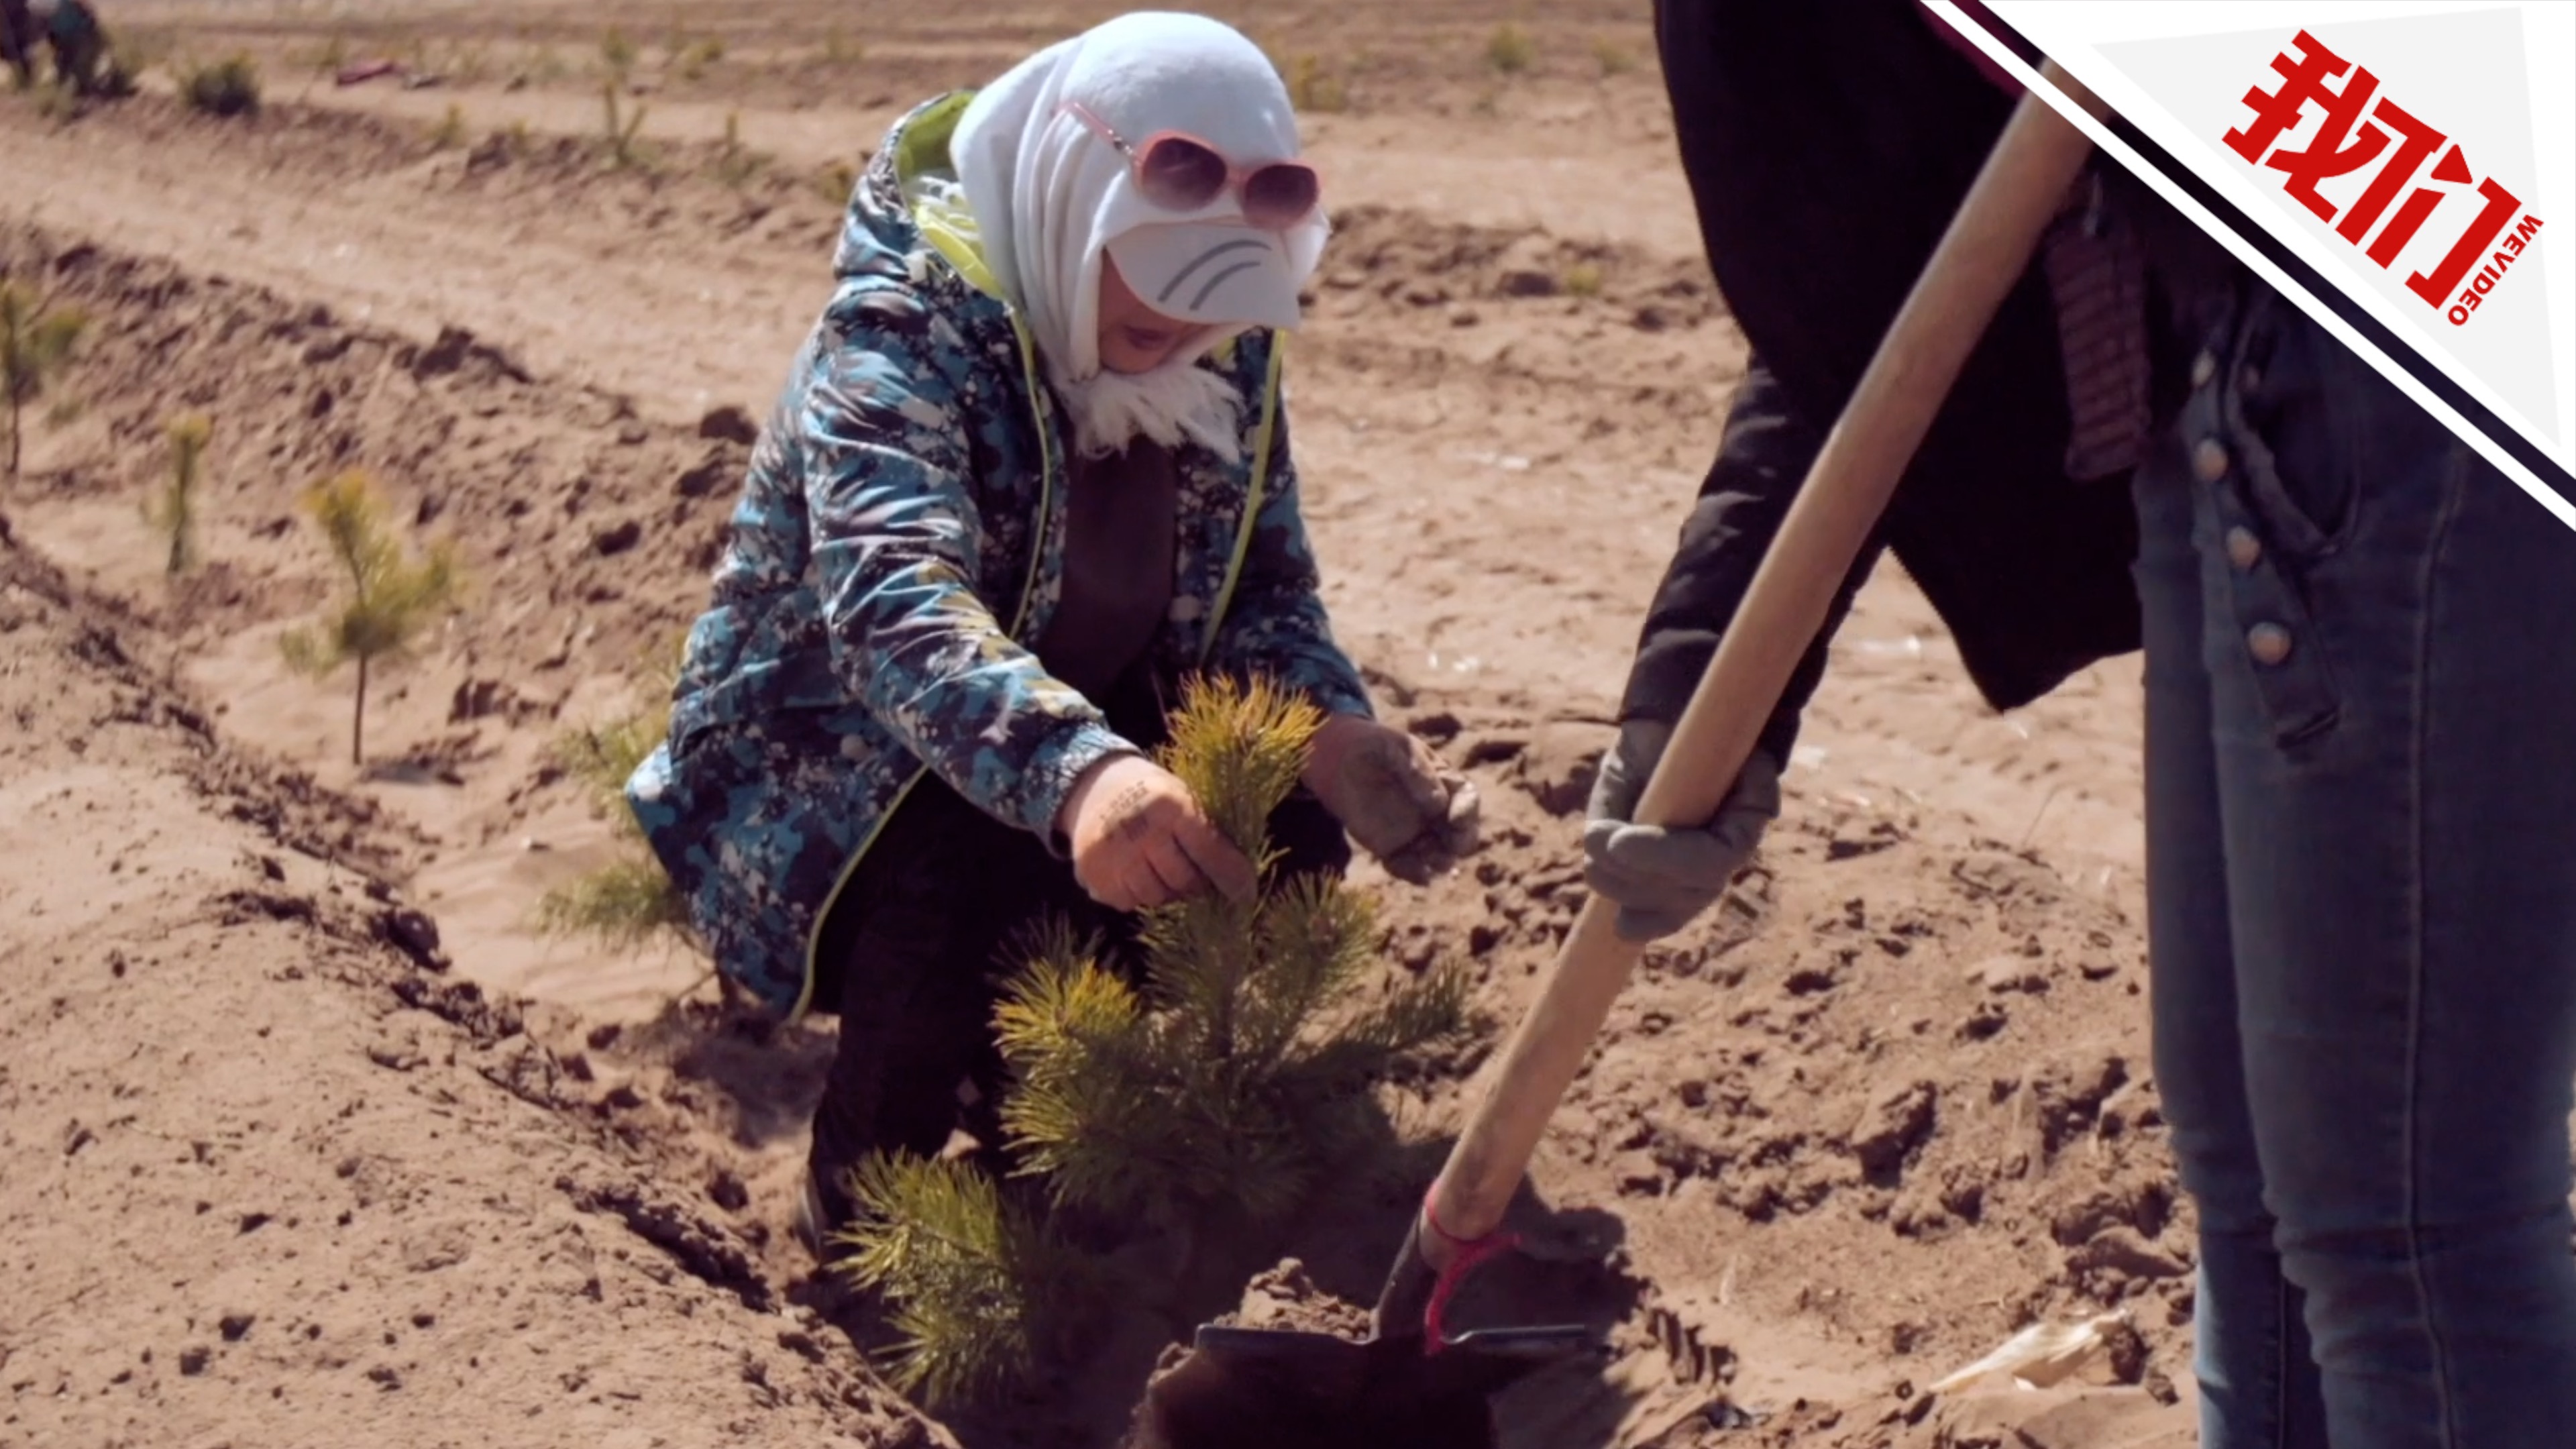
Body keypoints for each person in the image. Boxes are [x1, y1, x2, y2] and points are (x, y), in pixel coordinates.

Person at [1589, 3, 2576, 1446]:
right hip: (2217, 353)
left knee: (2406, 1234)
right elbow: (1881, 242)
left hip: (2403, 330)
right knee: (2254, 1183)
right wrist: (1702, 676)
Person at [626, 11, 1477, 1250]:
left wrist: (1337, 737)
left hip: (1071, 726)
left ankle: (1043, 1095)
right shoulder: (902, 334)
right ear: (1073, 203)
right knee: (953, 862)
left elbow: (1263, 590)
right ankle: (864, 1204)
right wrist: (1081, 776)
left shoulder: (1220, 359)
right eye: (1159, 279)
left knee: (1282, 810)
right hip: (848, 769)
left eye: (1219, 300)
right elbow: (894, 607)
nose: (1186, 330)